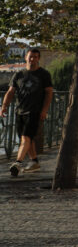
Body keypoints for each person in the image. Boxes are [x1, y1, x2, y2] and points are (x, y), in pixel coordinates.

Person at [2, 48, 54, 177]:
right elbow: (10, 92)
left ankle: (17, 163)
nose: (33, 59)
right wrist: (4, 106)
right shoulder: (19, 74)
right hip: (20, 110)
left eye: (36, 57)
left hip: (35, 111)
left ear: (38, 59)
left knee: (25, 137)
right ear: (26, 57)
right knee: (26, 138)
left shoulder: (44, 74)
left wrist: (44, 110)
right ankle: (34, 161)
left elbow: (49, 93)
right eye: (31, 56)